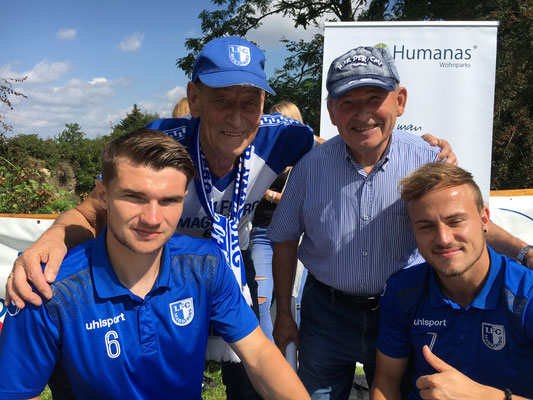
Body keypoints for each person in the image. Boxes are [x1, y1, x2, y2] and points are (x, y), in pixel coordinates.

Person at [6, 38, 453, 399]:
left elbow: (349, 142)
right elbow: (96, 204)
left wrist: (431, 154)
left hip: (221, 267)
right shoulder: (159, 142)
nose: (238, 118)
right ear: (194, 98)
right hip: (154, 268)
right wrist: (56, 235)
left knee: (249, 375)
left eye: (250, 102)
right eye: (223, 101)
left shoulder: (285, 138)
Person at [267, 45, 533, 400]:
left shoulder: (429, 159)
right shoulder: (309, 168)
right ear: (331, 111)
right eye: (347, 102)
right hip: (326, 314)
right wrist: (284, 313)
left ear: (400, 101)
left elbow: (462, 221)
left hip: (408, 312)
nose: (363, 114)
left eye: (375, 98)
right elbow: (284, 240)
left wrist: (525, 251)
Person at [0, 128, 310, 400]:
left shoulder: (204, 265)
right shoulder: (47, 290)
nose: (152, 218)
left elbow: (258, 355)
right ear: (103, 197)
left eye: (169, 201)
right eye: (134, 197)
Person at [371, 163, 533, 400]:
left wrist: (481, 396)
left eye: (456, 221)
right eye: (426, 226)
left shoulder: (526, 294)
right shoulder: (402, 290)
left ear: (484, 219)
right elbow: (386, 384)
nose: (444, 239)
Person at [250, 100, 311, 342]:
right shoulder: (263, 155)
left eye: (281, 122)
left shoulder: (307, 157)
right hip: (263, 234)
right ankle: (264, 369)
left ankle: (292, 366)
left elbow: (298, 200)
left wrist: (267, 193)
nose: (274, 128)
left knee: (296, 303)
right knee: (261, 300)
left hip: (296, 239)